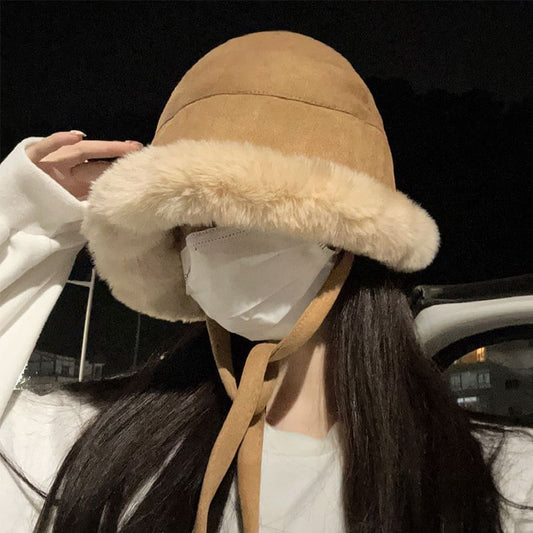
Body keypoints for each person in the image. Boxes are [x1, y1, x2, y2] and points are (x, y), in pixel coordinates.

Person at [1, 30, 532, 533]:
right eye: (197, 217)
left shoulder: (502, 481)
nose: (218, 240)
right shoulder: (78, 441)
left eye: (260, 211)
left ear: (347, 239)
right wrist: (22, 216)